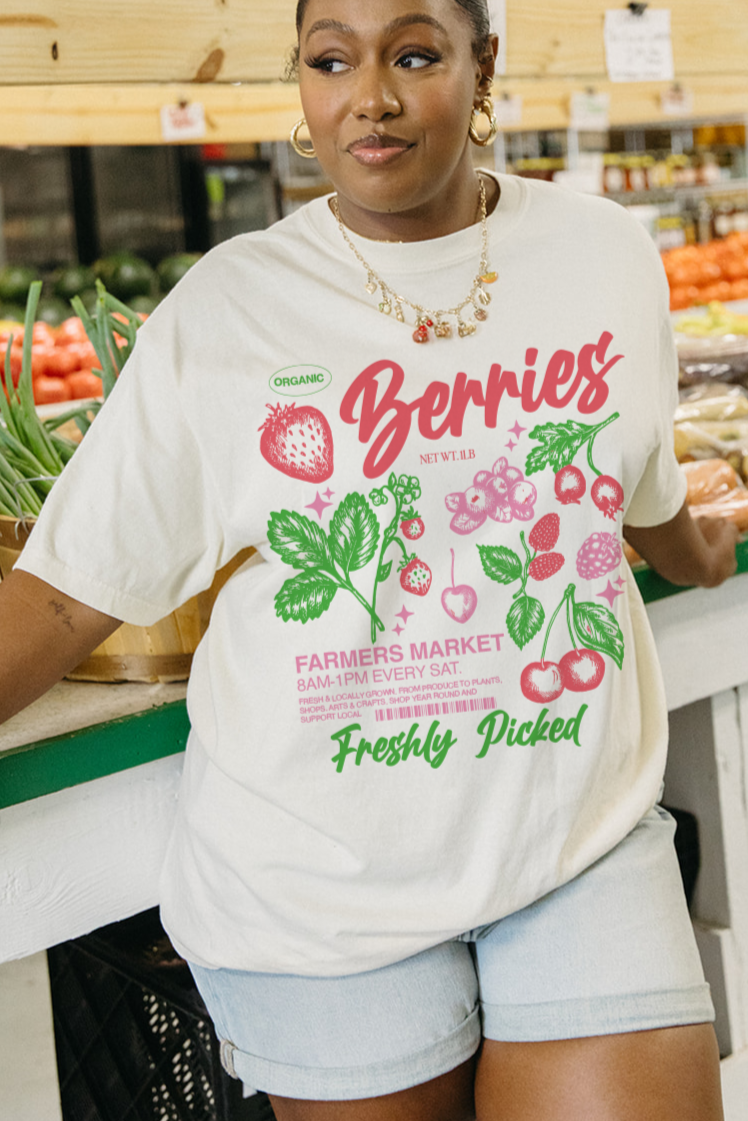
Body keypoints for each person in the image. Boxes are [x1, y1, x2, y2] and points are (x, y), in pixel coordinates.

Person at [0, 1, 738, 1118]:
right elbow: (62, 592)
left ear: (480, 65)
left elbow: (631, 483)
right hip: (320, 886)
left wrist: (695, 552)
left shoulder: (603, 256)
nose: (371, 96)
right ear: (300, 80)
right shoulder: (227, 312)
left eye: (413, 53)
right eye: (331, 58)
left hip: (573, 831)